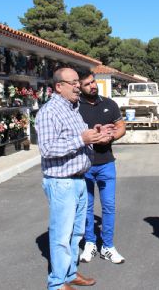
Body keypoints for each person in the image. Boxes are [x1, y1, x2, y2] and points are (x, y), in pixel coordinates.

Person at [36, 67, 109, 290]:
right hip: (61, 182)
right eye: (74, 83)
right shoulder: (50, 112)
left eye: (79, 82)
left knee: (76, 232)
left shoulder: (72, 109)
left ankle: (69, 273)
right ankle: (57, 283)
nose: (79, 86)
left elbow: (79, 136)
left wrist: (95, 133)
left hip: (77, 180)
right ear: (59, 87)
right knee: (61, 235)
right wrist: (81, 139)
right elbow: (47, 149)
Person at [76, 71, 127, 264]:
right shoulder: (75, 107)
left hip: (106, 163)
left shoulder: (109, 104)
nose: (93, 86)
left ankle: (108, 246)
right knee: (86, 207)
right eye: (88, 84)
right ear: (80, 86)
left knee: (109, 206)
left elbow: (121, 126)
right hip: (84, 165)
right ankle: (90, 243)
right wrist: (92, 135)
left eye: (94, 82)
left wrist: (111, 136)